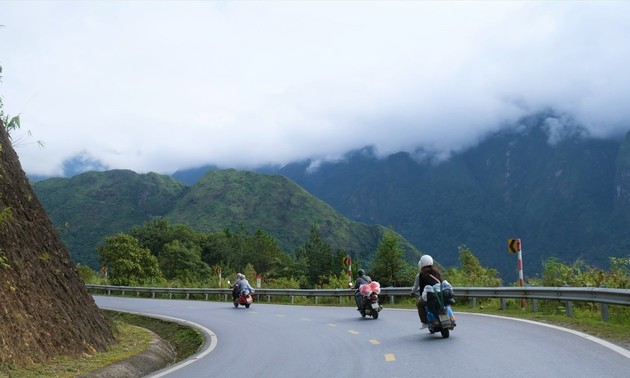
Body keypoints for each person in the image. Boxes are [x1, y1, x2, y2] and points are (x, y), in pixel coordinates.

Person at [411, 255, 442, 329]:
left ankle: (424, 322)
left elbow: (416, 286)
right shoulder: (436, 272)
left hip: (429, 296)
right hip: (439, 293)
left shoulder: (420, 275)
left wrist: (412, 292)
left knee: (419, 304)